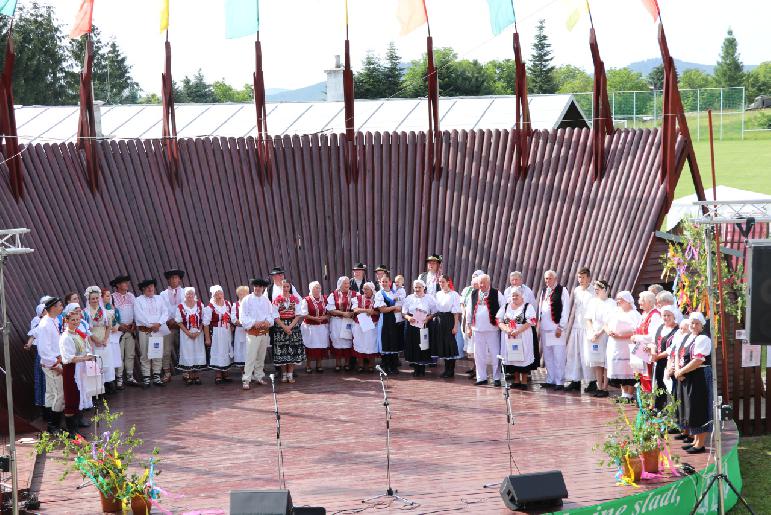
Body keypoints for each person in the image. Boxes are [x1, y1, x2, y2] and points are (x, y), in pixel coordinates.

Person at [675, 312, 713, 454]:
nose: (694, 325)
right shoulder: (687, 337)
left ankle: (700, 444)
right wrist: (679, 371)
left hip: (699, 375)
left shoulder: (703, 338)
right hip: (688, 374)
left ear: (702, 325)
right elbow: (679, 355)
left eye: (697, 323)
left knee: (699, 408)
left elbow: (698, 360)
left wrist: (681, 371)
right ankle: (695, 440)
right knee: (691, 407)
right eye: (692, 323)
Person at [58, 305, 97, 435]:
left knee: (79, 395)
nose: (75, 322)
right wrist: (84, 358)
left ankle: (76, 428)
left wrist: (88, 355)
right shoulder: (65, 337)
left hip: (80, 369)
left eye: (77, 319)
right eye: (73, 320)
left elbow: (85, 347)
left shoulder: (78, 334)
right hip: (71, 369)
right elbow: (69, 357)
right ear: (67, 321)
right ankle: (72, 431)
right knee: (71, 397)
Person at [466, 274, 506, 386]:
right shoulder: (473, 293)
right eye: (480, 283)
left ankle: (497, 377)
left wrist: (500, 321)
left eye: (484, 282)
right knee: (479, 355)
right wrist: (468, 326)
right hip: (477, 329)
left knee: (495, 354)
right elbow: (469, 311)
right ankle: (481, 377)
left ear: (489, 282)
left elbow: (503, 308)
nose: (482, 285)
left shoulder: (497, 293)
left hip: (492, 329)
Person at [496, 286, 538, 388]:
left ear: (522, 297)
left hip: (523, 335)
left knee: (523, 357)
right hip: (509, 336)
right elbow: (498, 320)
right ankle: (516, 380)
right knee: (512, 357)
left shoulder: (528, 306)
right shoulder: (506, 307)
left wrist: (518, 331)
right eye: (513, 295)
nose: (514, 297)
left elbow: (531, 321)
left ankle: (524, 381)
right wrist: (507, 330)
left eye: (517, 295)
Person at [606, 291, 642, 403]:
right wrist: (609, 332)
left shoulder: (635, 314)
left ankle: (630, 394)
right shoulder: (615, 312)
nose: (618, 301)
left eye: (620, 299)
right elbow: (605, 324)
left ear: (627, 300)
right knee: (619, 368)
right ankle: (623, 393)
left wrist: (622, 335)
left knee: (629, 370)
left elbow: (637, 331)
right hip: (615, 344)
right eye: (617, 299)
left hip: (627, 345)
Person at [537, 270, 571, 391]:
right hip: (545, 328)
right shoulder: (544, 291)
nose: (547, 281)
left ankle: (560, 381)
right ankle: (550, 379)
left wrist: (561, 327)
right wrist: (540, 325)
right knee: (548, 356)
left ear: (555, 279)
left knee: (558, 355)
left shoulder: (563, 290)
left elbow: (565, 309)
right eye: (546, 278)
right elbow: (540, 308)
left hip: (556, 329)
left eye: (550, 278)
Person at [238, 278, 274, 390]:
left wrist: (268, 321)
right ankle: (246, 379)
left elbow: (270, 314)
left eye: (260, 286)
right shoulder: (247, 300)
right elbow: (243, 316)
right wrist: (254, 322)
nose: (257, 288)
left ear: (263, 288)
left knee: (261, 356)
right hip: (253, 332)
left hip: (264, 333)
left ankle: (259, 376)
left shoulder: (266, 301)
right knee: (251, 357)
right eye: (256, 286)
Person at [36, 297, 65, 433]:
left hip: (53, 361)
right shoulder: (45, 324)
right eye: (60, 305)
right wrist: (55, 364)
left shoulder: (52, 320)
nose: (62, 307)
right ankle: (54, 426)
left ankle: (51, 422)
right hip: (52, 365)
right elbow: (43, 349)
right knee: (59, 394)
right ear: (53, 308)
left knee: (51, 394)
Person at [134, 279, 169, 388]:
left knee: (157, 353)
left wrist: (158, 323)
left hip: (157, 330)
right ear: (143, 289)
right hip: (145, 330)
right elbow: (139, 315)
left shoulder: (159, 298)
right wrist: (151, 325)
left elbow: (165, 312)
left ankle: (157, 376)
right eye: (148, 287)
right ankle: (146, 378)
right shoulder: (138, 300)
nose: (150, 288)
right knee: (145, 354)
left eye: (152, 286)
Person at [565, 268, 595, 392]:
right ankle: (575, 380)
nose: (580, 280)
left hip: (588, 327)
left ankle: (592, 382)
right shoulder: (576, 290)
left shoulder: (594, 291)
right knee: (574, 354)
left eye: (583, 277)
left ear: (588, 278)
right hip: (577, 326)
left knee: (587, 355)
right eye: (579, 277)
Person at [584, 280, 615, 398]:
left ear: (604, 290)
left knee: (605, 361)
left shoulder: (611, 303)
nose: (596, 291)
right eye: (595, 289)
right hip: (594, 334)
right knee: (597, 361)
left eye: (598, 289)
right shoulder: (593, 302)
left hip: (605, 334)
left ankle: (605, 387)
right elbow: (588, 318)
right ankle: (599, 386)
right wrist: (592, 332)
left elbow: (609, 321)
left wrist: (600, 333)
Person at [272, 279, 306, 383]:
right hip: (280, 326)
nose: (286, 289)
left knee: (292, 350)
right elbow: (275, 316)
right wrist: (284, 327)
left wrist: (290, 326)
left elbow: (298, 314)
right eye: (284, 287)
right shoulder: (277, 300)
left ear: (290, 287)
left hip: (293, 325)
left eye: (287, 287)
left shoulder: (295, 299)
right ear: (281, 288)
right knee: (282, 350)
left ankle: (290, 374)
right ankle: (284, 374)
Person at [402, 279, 437, 377]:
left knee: (423, 345)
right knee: (413, 345)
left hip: (425, 324)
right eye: (415, 287)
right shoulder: (409, 298)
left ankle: (422, 369)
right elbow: (404, 312)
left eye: (419, 287)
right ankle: (416, 368)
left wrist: (428, 318)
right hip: (412, 325)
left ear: (424, 288)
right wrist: (409, 318)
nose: (417, 289)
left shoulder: (429, 298)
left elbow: (434, 312)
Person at [84, 286, 115, 392]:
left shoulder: (105, 312)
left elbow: (108, 326)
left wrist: (105, 339)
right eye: (93, 298)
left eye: (97, 298)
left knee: (107, 362)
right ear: (88, 299)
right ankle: (98, 387)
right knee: (97, 363)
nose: (95, 300)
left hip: (104, 339)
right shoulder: (86, 313)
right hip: (93, 340)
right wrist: (96, 340)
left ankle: (108, 384)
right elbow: (87, 329)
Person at [630, 291, 663, 391]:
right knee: (641, 376)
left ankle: (650, 403)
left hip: (649, 350)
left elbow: (653, 336)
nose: (639, 302)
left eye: (642, 300)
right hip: (641, 350)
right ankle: (645, 402)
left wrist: (636, 338)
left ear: (650, 302)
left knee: (649, 377)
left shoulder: (655, 315)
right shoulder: (644, 313)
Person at [431, 274, 463, 378]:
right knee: (443, 344)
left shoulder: (454, 294)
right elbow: (435, 309)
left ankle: (451, 370)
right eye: (439, 282)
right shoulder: (438, 294)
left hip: (449, 320)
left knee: (450, 344)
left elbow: (456, 312)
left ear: (448, 282)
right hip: (440, 320)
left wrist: (455, 326)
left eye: (443, 281)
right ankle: (446, 369)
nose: (441, 284)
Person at [111, 274, 138, 388]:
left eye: (127, 282)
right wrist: (119, 325)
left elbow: (136, 311)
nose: (126, 284)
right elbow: (110, 315)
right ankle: (119, 379)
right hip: (118, 331)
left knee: (130, 354)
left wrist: (134, 324)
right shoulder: (112, 297)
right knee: (119, 355)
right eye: (124, 282)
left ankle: (130, 377)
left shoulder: (131, 296)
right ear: (117, 285)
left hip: (130, 330)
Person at [175, 287, 206, 385]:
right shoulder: (180, 307)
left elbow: (204, 320)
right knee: (188, 352)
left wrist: (199, 331)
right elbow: (179, 322)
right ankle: (189, 376)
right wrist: (188, 333)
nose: (190, 295)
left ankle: (196, 376)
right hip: (186, 334)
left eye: (191, 293)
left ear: (194, 294)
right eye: (188, 294)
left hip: (198, 333)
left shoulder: (200, 305)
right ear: (184, 295)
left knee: (197, 352)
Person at [650, 305, 679, 411]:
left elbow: (672, 348)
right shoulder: (660, 327)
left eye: (668, 315)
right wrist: (653, 352)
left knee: (669, 385)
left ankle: (670, 409)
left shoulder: (677, 330)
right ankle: (659, 408)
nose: (666, 318)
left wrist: (658, 356)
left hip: (669, 362)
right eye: (664, 315)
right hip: (658, 361)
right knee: (659, 384)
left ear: (674, 316)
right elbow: (654, 342)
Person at [159, 268, 185, 384]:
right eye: (171, 278)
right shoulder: (163, 294)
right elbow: (161, 309)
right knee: (166, 350)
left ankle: (186, 371)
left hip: (182, 326)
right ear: (168, 280)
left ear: (179, 279)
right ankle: (167, 372)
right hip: (168, 325)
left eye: (176, 277)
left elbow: (188, 307)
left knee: (184, 349)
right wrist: (169, 320)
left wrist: (178, 320)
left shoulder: (185, 292)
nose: (174, 280)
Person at [375, 274, 404, 375]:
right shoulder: (379, 294)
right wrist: (393, 308)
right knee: (386, 341)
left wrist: (392, 309)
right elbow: (382, 309)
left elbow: (401, 307)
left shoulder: (395, 293)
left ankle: (393, 366)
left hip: (394, 321)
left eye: (386, 281)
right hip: (385, 321)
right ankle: (386, 366)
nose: (384, 283)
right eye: (382, 282)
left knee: (394, 341)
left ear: (390, 282)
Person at [205, 285, 234, 384]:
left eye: (220, 293)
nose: (219, 295)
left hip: (226, 331)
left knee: (226, 349)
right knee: (217, 351)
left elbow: (231, 317)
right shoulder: (210, 307)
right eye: (216, 294)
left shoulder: (227, 304)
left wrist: (231, 326)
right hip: (216, 332)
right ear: (213, 295)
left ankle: (225, 372)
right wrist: (207, 338)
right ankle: (218, 374)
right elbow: (205, 324)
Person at [300, 281, 330, 373]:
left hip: (322, 327)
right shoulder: (306, 300)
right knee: (310, 346)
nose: (317, 289)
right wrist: (314, 318)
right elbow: (303, 314)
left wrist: (324, 317)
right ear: (311, 289)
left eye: (318, 287)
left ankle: (319, 365)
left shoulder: (325, 298)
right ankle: (308, 365)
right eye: (315, 288)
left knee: (320, 346)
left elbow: (330, 312)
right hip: (311, 327)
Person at [327, 276, 356, 371]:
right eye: (345, 283)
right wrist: (343, 313)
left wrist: (352, 313)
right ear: (340, 284)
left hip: (348, 321)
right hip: (337, 321)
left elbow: (358, 307)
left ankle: (347, 363)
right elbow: (330, 310)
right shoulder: (334, 294)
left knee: (348, 341)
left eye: (348, 283)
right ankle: (338, 363)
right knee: (337, 340)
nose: (347, 285)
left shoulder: (355, 294)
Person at [352, 282, 380, 372]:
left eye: (367, 289)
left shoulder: (377, 298)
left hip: (372, 325)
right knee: (360, 343)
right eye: (363, 289)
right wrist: (366, 310)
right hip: (360, 325)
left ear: (372, 290)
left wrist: (373, 312)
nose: (364, 291)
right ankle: (360, 365)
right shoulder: (358, 298)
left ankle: (371, 365)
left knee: (371, 344)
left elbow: (380, 311)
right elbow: (355, 309)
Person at [460, 270, 483, 379]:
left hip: (476, 322)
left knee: (476, 345)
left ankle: (478, 369)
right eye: (473, 277)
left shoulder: (482, 291)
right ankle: (473, 367)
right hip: (467, 320)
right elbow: (462, 303)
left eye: (477, 277)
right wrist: (464, 312)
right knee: (469, 345)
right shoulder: (467, 290)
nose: (474, 279)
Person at [232, 286, 250, 371]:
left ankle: (251, 371)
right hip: (240, 330)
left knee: (250, 349)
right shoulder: (235, 305)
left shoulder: (251, 304)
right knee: (241, 349)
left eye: (244, 294)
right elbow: (233, 318)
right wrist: (242, 323)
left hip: (250, 330)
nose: (242, 296)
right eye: (240, 294)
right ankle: (243, 371)